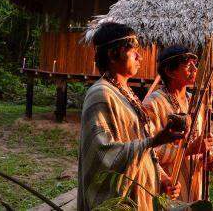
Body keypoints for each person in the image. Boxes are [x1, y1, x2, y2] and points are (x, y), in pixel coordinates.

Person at [78, 22, 182, 210]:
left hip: (141, 196)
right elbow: (104, 153)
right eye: (133, 50)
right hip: (119, 203)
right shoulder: (100, 94)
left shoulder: (127, 93)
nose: (139, 56)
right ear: (112, 54)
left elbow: (140, 146)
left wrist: (162, 178)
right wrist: (153, 141)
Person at [143, 45, 213, 203]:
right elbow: (148, 150)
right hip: (169, 187)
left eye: (195, 65)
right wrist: (189, 149)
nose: (195, 69)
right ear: (170, 71)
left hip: (195, 186)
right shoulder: (153, 104)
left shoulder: (196, 103)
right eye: (188, 65)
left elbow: (201, 143)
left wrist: (207, 157)